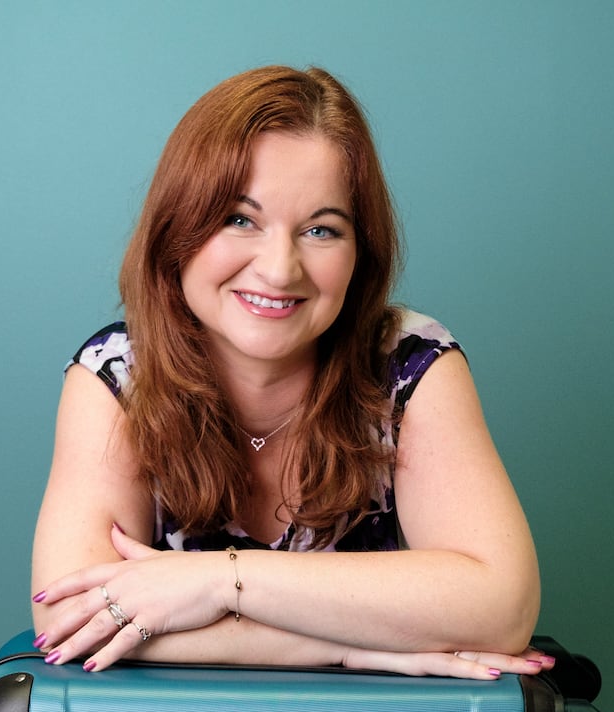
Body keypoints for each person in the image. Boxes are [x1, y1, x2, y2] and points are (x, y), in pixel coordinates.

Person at [29, 65, 548, 679]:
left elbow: (501, 607)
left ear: (361, 254)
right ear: (177, 229)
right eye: (240, 219)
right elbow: (72, 621)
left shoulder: (410, 363)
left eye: (321, 230)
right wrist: (354, 648)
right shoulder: (116, 376)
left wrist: (221, 582)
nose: (279, 270)